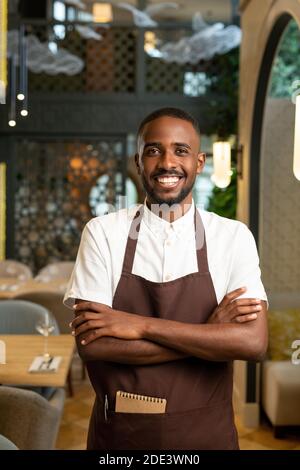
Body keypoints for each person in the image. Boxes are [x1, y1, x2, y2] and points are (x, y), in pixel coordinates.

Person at [64, 107, 268, 450]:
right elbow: (93, 345)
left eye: (181, 150)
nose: (167, 163)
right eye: (154, 150)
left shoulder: (233, 237)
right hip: (122, 439)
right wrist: (210, 335)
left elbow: (253, 343)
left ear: (199, 163)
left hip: (208, 438)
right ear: (139, 161)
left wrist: (139, 325)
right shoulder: (102, 233)